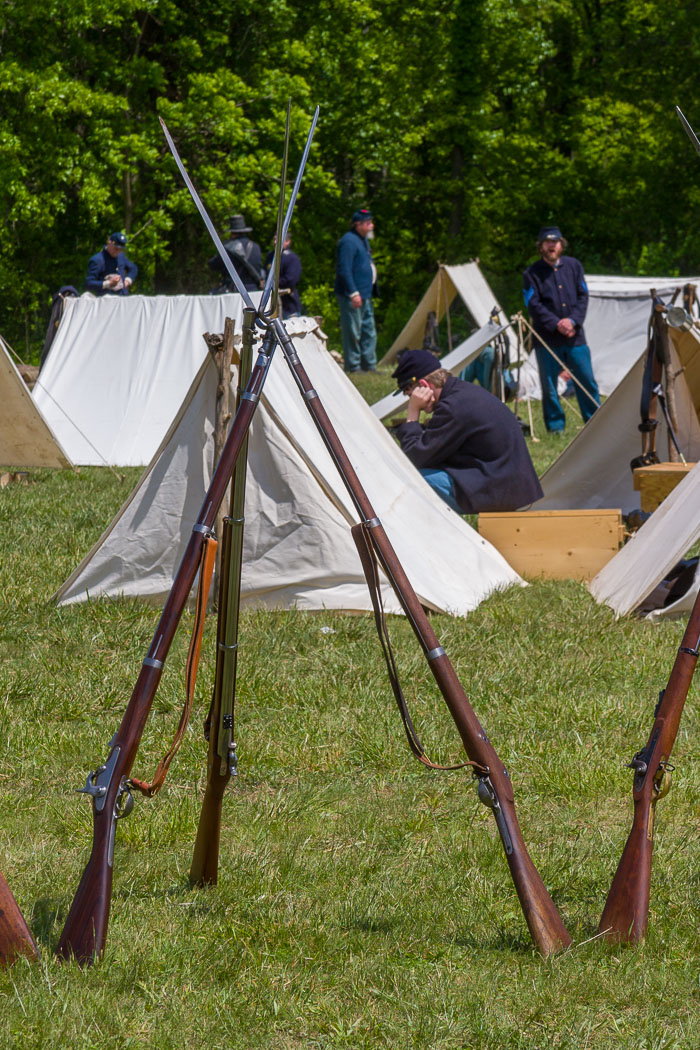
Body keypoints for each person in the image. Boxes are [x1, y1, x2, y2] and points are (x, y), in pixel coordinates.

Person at [391, 349, 543, 514]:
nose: (411, 400)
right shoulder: (460, 394)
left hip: (500, 489)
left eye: (410, 394)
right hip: (509, 485)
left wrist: (413, 413)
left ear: (424, 386)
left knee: (412, 479)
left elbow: (414, 458)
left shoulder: (452, 407)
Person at [523, 226, 600, 433]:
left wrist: (572, 321)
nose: (551, 246)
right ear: (541, 246)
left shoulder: (574, 266)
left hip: (575, 337)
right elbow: (532, 303)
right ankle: (556, 428)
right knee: (549, 387)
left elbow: (583, 296)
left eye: (555, 242)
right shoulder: (531, 273)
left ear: (561, 244)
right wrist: (557, 323)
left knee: (586, 380)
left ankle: (595, 424)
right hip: (547, 339)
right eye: (547, 242)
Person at [334, 208, 377, 372]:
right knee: (353, 331)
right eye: (368, 223)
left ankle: (369, 364)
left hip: (365, 292)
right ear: (358, 224)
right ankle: (353, 364)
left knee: (368, 330)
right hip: (352, 294)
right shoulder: (348, 241)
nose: (371, 226)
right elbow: (344, 269)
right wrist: (353, 292)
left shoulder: (362, 239)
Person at [209, 214, 264, 293]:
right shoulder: (256, 247)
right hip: (253, 291)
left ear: (232, 233)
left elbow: (213, 264)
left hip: (235, 291)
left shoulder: (228, 248)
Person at [264, 234, 302, 317]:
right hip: (271, 303)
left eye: (278, 240)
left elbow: (291, 279)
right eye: (274, 240)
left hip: (288, 304)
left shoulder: (292, 258)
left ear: (287, 242)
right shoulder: (270, 256)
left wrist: (274, 284)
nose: (275, 242)